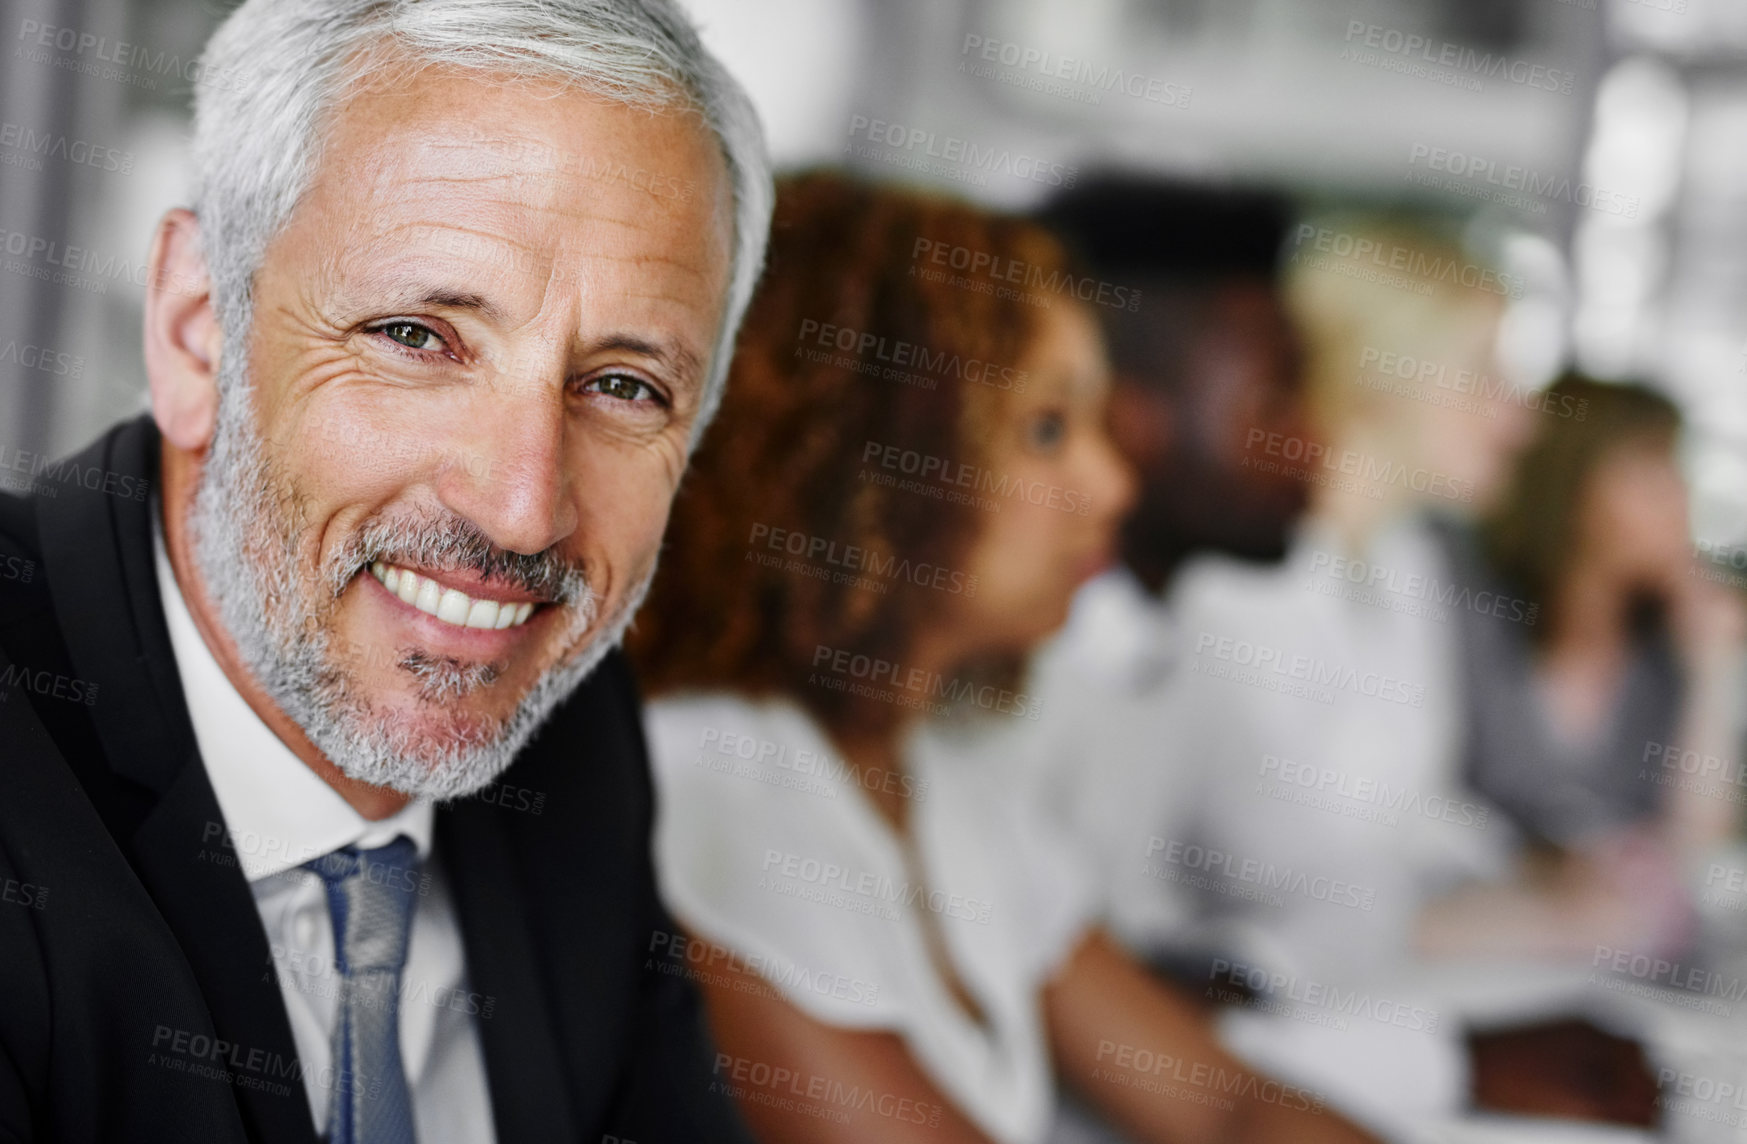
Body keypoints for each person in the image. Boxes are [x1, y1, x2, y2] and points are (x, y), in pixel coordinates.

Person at [0, 1, 773, 1141]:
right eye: (416, 336)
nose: (521, 513)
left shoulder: (571, 734)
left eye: (623, 386)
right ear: (195, 329)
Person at [630, 172, 1380, 1144]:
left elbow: (1227, 1105)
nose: (1111, 485)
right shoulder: (709, 793)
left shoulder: (948, 785)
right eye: (1046, 430)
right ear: (865, 456)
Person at [1417, 374, 1745, 960]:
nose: (1679, 498)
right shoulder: (1469, 601)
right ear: (1573, 482)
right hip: (1458, 923)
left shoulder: (1663, 662)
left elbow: (1696, 848)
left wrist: (1712, 668)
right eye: (1652, 472)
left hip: (1588, 968)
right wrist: (1537, 860)